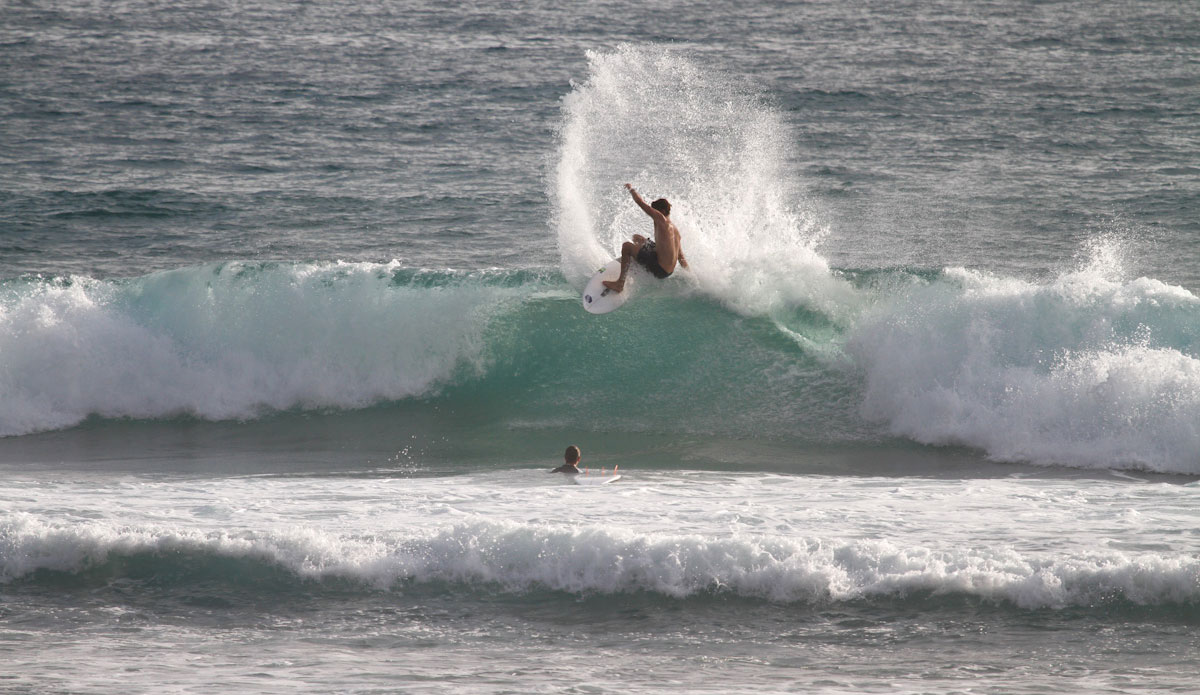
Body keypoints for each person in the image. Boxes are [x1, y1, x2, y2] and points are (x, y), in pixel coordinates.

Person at [602, 183, 688, 293]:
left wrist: (631, 189)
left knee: (627, 246)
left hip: (659, 269)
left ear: (661, 211)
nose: (653, 215)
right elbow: (681, 257)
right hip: (668, 272)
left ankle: (620, 284)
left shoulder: (661, 219)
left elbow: (640, 202)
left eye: (655, 211)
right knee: (638, 239)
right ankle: (635, 261)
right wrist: (690, 278)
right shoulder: (675, 231)